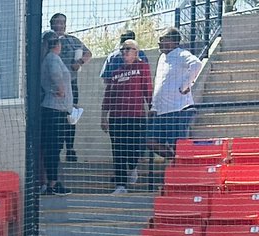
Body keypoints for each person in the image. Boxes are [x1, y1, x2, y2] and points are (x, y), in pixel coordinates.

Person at [101, 40, 152, 195]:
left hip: (136, 116)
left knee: (135, 147)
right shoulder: (116, 73)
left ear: (136, 51)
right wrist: (103, 116)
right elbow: (108, 96)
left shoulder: (142, 67)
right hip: (117, 117)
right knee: (118, 150)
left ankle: (133, 166)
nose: (124, 52)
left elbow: (147, 88)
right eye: (122, 50)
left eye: (128, 49)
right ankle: (120, 185)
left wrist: (152, 107)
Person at [149, 28, 203, 160]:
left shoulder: (181, 54)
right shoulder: (162, 58)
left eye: (162, 39)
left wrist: (185, 85)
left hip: (178, 109)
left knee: (178, 144)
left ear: (173, 42)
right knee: (150, 141)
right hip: (161, 111)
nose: (159, 42)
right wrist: (153, 107)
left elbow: (197, 64)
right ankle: (174, 159)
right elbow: (159, 82)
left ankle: (181, 167)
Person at [48, 13, 91, 163]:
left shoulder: (72, 40)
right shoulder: (48, 40)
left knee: (71, 116)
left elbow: (88, 53)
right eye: (57, 22)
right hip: (54, 86)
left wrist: (79, 62)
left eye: (62, 22)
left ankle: (70, 149)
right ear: (51, 24)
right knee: (56, 118)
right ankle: (55, 151)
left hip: (71, 84)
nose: (60, 25)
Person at [41, 32, 73, 196]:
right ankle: (52, 183)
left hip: (56, 109)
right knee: (54, 147)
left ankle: (50, 182)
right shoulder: (53, 58)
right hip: (55, 109)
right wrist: (60, 89)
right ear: (58, 45)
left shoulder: (48, 58)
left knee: (52, 147)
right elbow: (55, 73)